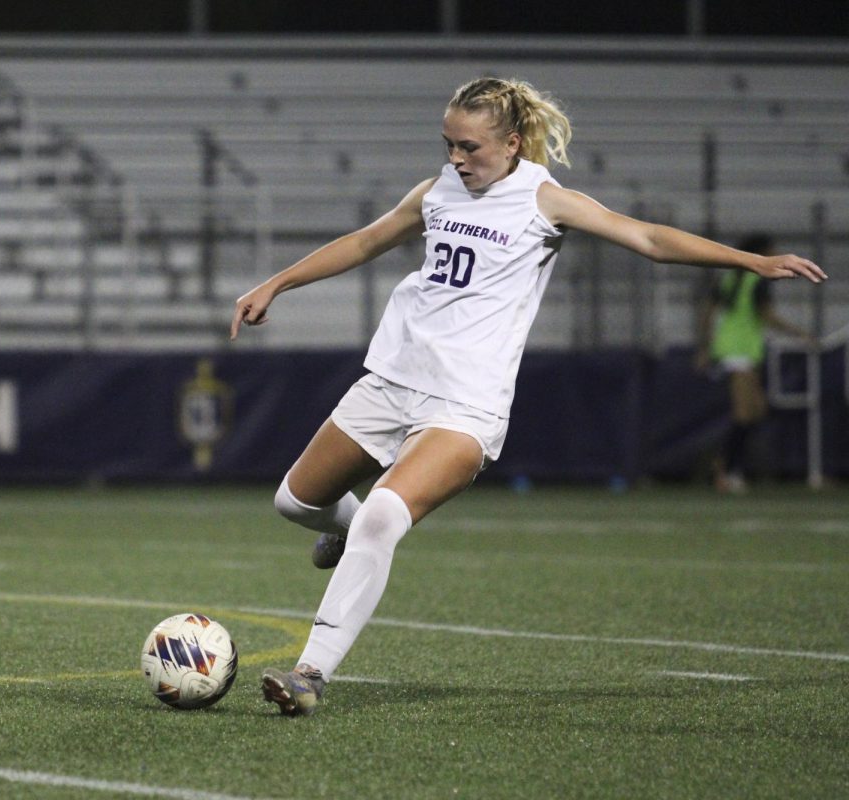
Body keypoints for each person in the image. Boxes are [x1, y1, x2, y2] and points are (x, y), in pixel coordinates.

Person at [228, 77, 828, 717]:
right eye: (449, 145)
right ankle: (342, 533)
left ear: (512, 142)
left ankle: (310, 674)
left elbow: (650, 240)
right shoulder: (436, 191)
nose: (457, 158)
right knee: (294, 501)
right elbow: (363, 242)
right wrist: (278, 282)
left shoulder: (544, 199)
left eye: (470, 147)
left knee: (382, 515)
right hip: (391, 380)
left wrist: (750, 261)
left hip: (465, 404)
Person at [695, 233, 819, 492]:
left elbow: (708, 311)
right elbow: (767, 316)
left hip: (735, 349)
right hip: (738, 351)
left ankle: (726, 465)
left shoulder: (729, 276)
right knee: (744, 412)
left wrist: (706, 345)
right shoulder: (757, 279)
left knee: (757, 411)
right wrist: (801, 334)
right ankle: (724, 470)